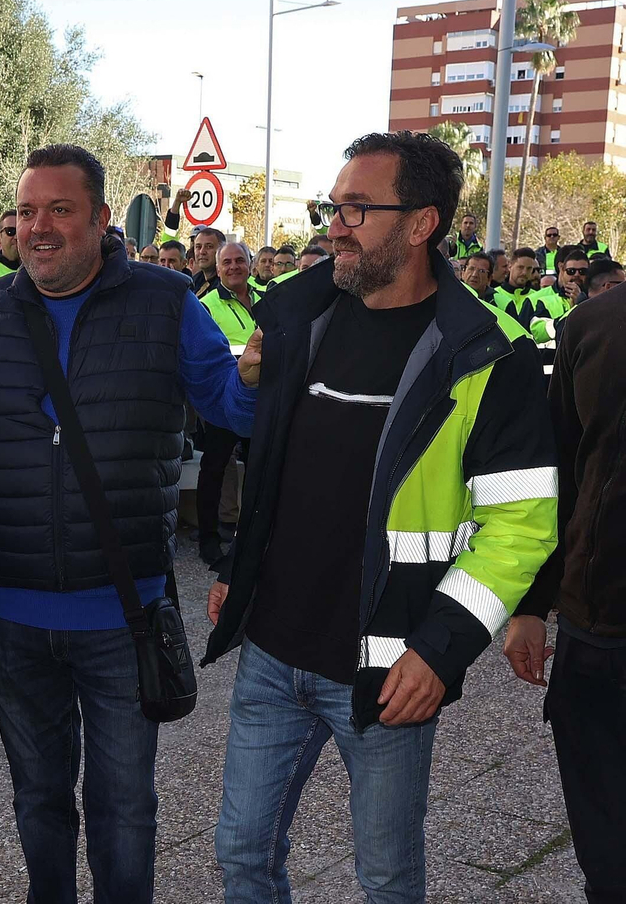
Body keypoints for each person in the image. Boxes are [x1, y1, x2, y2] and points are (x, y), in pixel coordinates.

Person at [204, 130, 556, 904]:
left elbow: (522, 525)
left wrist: (440, 650)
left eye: (357, 208)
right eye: (333, 206)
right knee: (241, 852)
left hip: (392, 665)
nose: (335, 224)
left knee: (388, 878)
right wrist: (240, 566)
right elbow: (280, 466)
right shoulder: (301, 317)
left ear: (422, 222)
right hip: (271, 651)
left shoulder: (489, 354)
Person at [0, 143, 257, 903]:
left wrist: (255, 378)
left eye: (59, 210)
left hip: (123, 614)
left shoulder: (169, 303)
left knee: (124, 807)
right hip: (11, 614)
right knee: (38, 799)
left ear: (103, 218)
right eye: (26, 211)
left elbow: (230, 407)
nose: (37, 227)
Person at [505, 267, 624, 901]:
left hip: (597, 619)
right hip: (595, 624)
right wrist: (532, 603)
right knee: (605, 843)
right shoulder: (593, 325)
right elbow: (556, 476)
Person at [195, 241, 259, 563]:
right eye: (227, 262)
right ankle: (208, 539)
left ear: (250, 264)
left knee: (260, 469)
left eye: (239, 260)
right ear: (217, 269)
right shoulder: (206, 305)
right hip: (224, 398)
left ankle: (253, 539)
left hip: (262, 397)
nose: (233, 267)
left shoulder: (267, 297)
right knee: (214, 468)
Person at [502, 248, 566, 342]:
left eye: (529, 269)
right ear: (510, 266)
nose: (524, 272)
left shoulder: (537, 297)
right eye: (520, 267)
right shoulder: (495, 295)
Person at [189, 226, 222, 295]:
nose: (202, 252)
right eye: (198, 247)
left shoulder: (227, 283)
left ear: (222, 251)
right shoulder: (193, 282)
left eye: (209, 246)